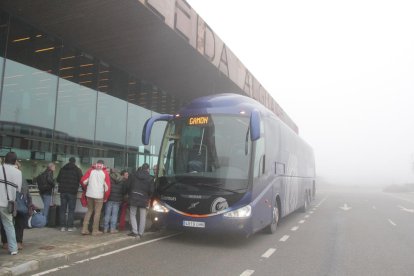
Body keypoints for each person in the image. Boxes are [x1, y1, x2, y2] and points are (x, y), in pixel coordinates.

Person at [1, 161, 32, 250]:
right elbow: (26, 190)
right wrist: (29, 202)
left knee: (6, 222)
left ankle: (6, 242)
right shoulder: (20, 176)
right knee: (19, 222)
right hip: (19, 204)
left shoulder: (5, 175)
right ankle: (17, 242)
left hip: (7, 203)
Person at [0, 152, 23, 255]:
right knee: (9, 225)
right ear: (15, 161)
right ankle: (13, 249)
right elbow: (18, 188)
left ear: (5, 159)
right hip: (7, 203)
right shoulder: (18, 172)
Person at [80, 160, 111, 235]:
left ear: (96, 164)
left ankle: (84, 229)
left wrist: (87, 188)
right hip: (99, 196)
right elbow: (107, 187)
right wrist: (105, 197)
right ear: (103, 165)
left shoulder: (90, 170)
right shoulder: (105, 173)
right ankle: (95, 230)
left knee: (89, 210)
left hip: (89, 194)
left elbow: (83, 181)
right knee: (97, 213)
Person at [127, 163, 153, 238]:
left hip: (134, 196)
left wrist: (130, 193)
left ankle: (135, 231)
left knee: (132, 214)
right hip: (144, 198)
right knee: (143, 216)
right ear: (148, 169)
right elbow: (151, 190)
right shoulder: (150, 178)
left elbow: (128, 185)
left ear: (141, 168)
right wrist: (149, 197)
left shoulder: (134, 175)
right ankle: (140, 233)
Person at [57, 157, 83, 232]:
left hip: (63, 191)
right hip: (72, 192)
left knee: (63, 209)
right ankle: (70, 227)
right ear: (74, 162)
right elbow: (81, 180)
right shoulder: (77, 170)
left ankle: (62, 226)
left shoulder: (62, 169)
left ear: (69, 161)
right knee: (71, 210)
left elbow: (58, 179)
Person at [103, 168, 126, 233]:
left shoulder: (109, 178)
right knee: (114, 214)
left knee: (107, 214)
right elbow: (123, 190)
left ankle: (105, 228)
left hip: (109, 198)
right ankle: (112, 229)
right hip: (117, 199)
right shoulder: (122, 179)